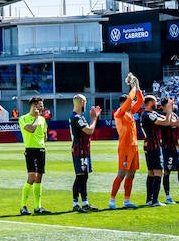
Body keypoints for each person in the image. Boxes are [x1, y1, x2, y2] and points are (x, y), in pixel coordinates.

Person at [108, 74, 143, 209]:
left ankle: (126, 201)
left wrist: (137, 85)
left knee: (131, 174)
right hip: (125, 147)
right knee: (121, 174)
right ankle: (112, 200)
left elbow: (140, 101)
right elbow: (131, 99)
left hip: (134, 146)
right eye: (130, 103)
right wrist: (132, 87)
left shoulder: (130, 112)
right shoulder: (119, 113)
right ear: (123, 104)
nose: (133, 104)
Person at [68, 94, 102, 212]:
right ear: (82, 102)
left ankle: (85, 202)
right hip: (79, 150)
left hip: (84, 150)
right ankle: (75, 203)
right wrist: (94, 118)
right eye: (85, 102)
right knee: (80, 176)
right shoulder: (76, 117)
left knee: (84, 175)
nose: (86, 105)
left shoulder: (78, 117)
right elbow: (89, 131)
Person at [19, 96, 50, 215]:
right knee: (31, 177)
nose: (42, 108)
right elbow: (31, 129)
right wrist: (37, 117)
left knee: (39, 178)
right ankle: (23, 206)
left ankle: (38, 207)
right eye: (40, 106)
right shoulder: (23, 118)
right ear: (34, 106)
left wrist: (41, 142)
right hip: (30, 150)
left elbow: (45, 136)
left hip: (41, 150)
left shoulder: (43, 119)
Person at [160, 96, 179, 204]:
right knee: (167, 171)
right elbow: (176, 123)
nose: (173, 104)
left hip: (176, 147)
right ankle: (168, 197)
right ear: (164, 106)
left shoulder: (174, 114)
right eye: (170, 103)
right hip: (167, 147)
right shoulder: (162, 116)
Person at [139, 94, 167, 207]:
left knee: (151, 172)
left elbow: (164, 119)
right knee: (158, 172)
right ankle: (155, 200)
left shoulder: (149, 114)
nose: (157, 103)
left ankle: (149, 199)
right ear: (149, 103)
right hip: (153, 145)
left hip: (149, 145)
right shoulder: (148, 115)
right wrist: (169, 111)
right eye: (155, 101)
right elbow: (163, 122)